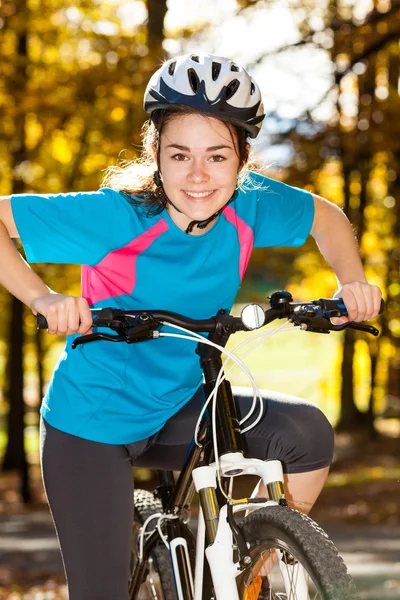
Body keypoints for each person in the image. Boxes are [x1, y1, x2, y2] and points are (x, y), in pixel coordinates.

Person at [0, 53, 381, 600]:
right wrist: (42, 296)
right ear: (155, 153)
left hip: (186, 409)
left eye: (217, 156)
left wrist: (351, 283)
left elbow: (326, 217)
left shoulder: (249, 208)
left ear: (242, 159)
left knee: (308, 434)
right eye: (179, 155)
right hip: (92, 424)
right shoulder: (116, 216)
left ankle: (257, 564)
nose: (198, 176)